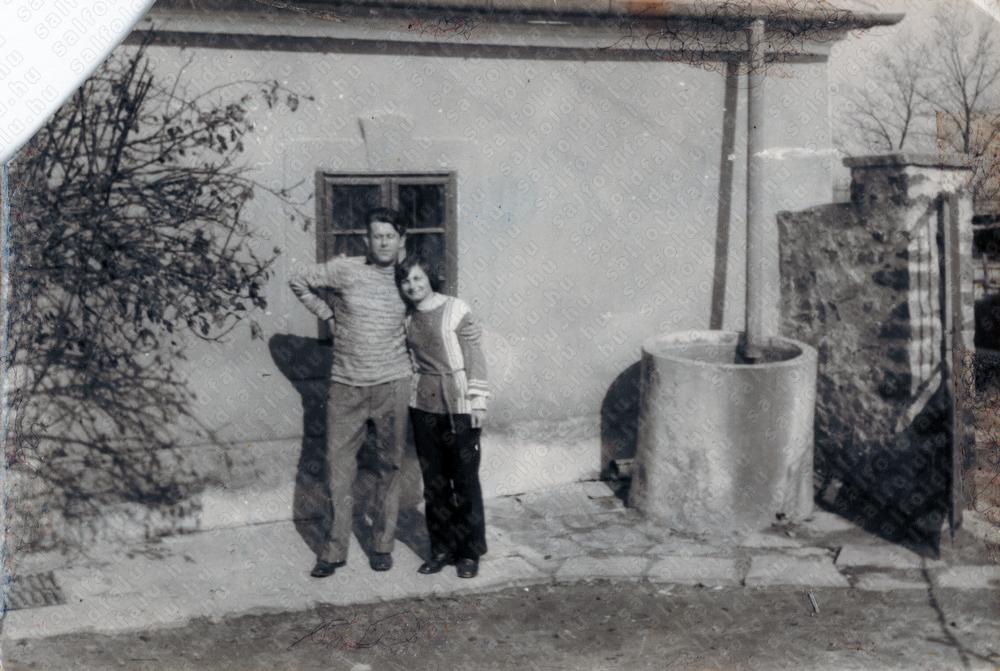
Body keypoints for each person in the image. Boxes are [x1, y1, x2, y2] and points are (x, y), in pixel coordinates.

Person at [288, 207, 410, 578]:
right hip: (346, 386)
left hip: (392, 383)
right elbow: (298, 279)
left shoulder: (409, 276)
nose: (383, 242)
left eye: (390, 236)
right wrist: (327, 316)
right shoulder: (345, 269)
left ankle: (382, 545)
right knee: (338, 469)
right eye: (377, 236)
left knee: (390, 466)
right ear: (366, 239)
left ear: (401, 240)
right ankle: (334, 549)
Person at [395, 255, 489, 579]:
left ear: (429, 278)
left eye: (417, 278)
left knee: (464, 481)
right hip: (423, 407)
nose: (412, 286)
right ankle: (441, 548)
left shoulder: (456, 309)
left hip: (459, 405)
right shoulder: (407, 318)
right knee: (434, 483)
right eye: (406, 281)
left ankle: (469, 552)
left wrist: (478, 402)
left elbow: (474, 355)